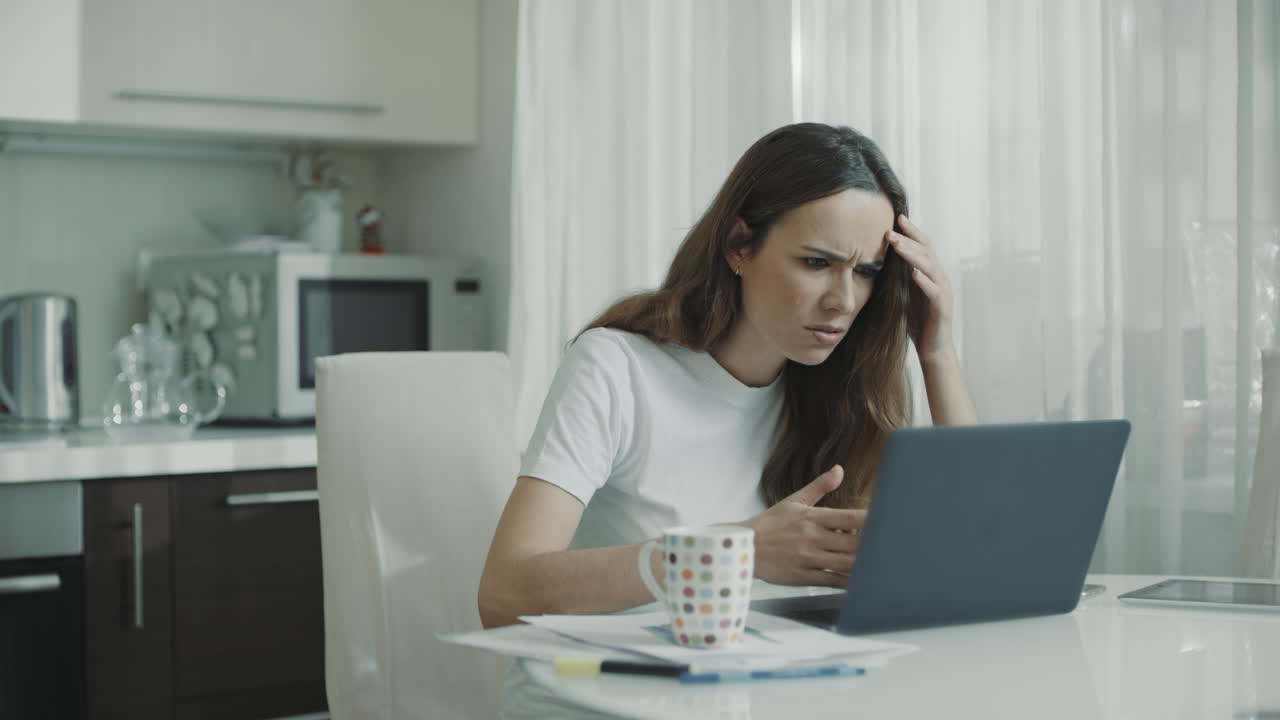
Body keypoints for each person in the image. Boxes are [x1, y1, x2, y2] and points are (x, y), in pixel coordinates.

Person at [479, 122, 978, 633]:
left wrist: (937, 351)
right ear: (739, 245)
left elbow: (979, 560)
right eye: (815, 262)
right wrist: (736, 551)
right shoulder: (616, 368)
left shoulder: (843, 392)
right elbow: (503, 594)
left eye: (866, 271)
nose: (843, 301)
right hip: (615, 695)